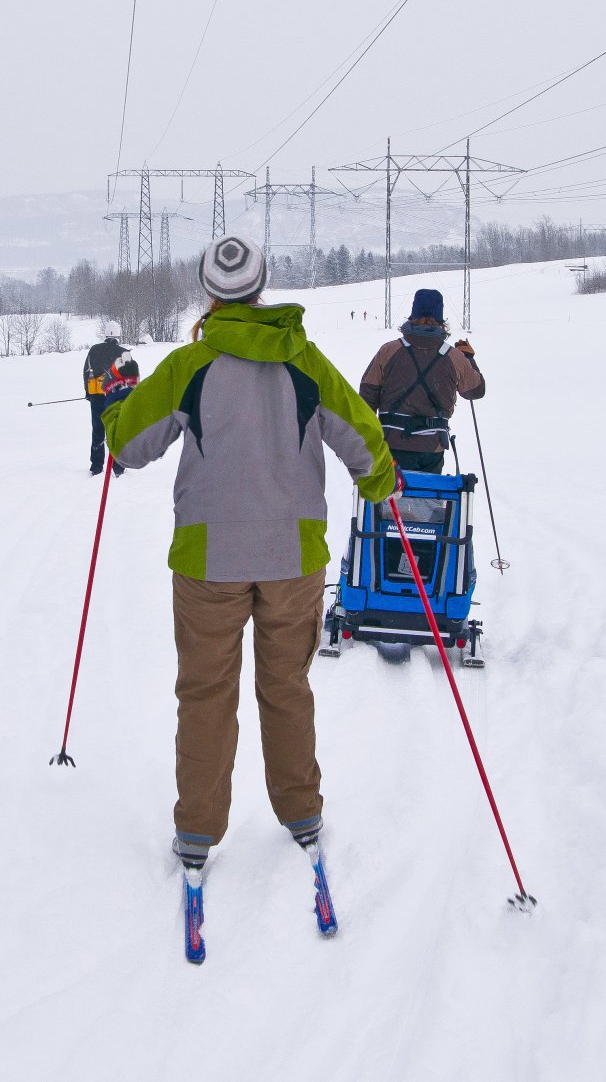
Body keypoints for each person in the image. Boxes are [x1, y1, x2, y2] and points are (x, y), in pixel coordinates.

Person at [99, 235, 396, 921]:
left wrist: (118, 405)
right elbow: (363, 438)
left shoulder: (190, 365)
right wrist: (380, 480)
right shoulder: (307, 363)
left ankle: (198, 831)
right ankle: (302, 815)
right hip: (293, 558)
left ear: (211, 294)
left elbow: (127, 444)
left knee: (205, 693)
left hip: (208, 561)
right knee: (286, 685)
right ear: (262, 289)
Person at [358, 289, 485, 474]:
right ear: (441, 321)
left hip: (390, 443)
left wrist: (365, 439)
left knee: (388, 498)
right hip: (431, 447)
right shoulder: (454, 357)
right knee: (425, 497)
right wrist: (468, 358)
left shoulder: (388, 351)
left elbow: (367, 397)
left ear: (412, 316)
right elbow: (475, 391)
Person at [82, 334, 136, 476]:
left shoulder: (94, 350)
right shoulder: (124, 352)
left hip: (96, 396)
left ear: (105, 335)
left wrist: (88, 392)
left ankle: (96, 466)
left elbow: (86, 372)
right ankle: (118, 467)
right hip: (116, 397)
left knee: (98, 429)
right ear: (117, 336)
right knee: (116, 430)